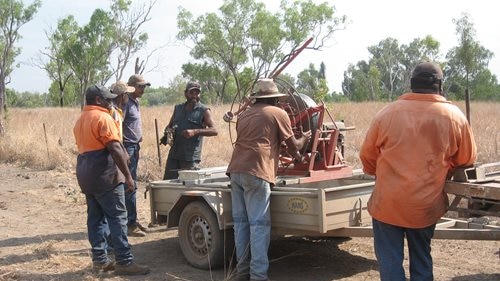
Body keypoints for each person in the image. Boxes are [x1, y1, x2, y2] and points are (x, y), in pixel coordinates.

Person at [359, 61, 477, 281]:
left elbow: (367, 158)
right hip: (425, 206)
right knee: (422, 259)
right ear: (440, 86)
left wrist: (383, 174)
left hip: (388, 204)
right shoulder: (455, 117)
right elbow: (466, 159)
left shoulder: (387, 113)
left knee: (390, 263)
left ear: (412, 84)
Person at [226, 78, 311, 281]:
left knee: (241, 224)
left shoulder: (245, 114)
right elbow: (295, 147)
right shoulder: (278, 113)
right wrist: (305, 138)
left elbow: (257, 139)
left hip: (236, 170)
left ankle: (242, 272)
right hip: (257, 172)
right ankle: (258, 276)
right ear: (274, 99)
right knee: (258, 225)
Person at [73, 85, 150, 275]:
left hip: (86, 174)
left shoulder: (81, 119)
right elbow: (115, 148)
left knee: (96, 218)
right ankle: (124, 261)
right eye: (107, 98)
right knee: (118, 218)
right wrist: (129, 176)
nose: (110, 101)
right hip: (105, 175)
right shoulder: (103, 117)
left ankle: (99, 260)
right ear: (98, 100)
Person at [160, 81, 218, 180]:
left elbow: (214, 130)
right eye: (192, 93)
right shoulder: (178, 108)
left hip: (190, 158)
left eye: (197, 93)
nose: (194, 95)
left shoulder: (203, 110)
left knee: (189, 186)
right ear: (185, 93)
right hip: (174, 155)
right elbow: (169, 126)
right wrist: (167, 133)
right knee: (168, 185)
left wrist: (195, 132)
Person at [122, 74, 150, 237]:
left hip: (134, 145)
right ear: (131, 86)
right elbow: (118, 125)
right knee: (130, 185)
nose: (143, 90)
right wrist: (123, 149)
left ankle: (132, 220)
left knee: (132, 184)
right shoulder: (125, 102)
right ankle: (130, 224)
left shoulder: (135, 102)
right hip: (127, 147)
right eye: (140, 87)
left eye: (144, 87)